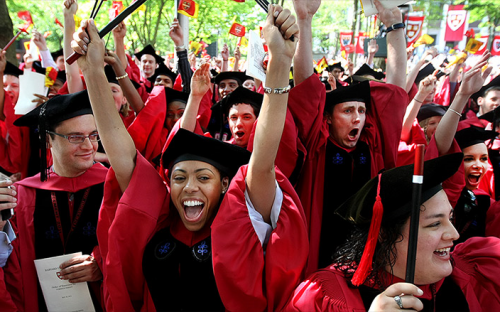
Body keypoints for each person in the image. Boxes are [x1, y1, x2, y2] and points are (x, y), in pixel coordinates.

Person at [71, 5, 304, 311]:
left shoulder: (242, 223)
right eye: (179, 178)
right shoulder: (160, 222)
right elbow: (120, 150)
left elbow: (262, 161)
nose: (190, 187)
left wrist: (280, 63)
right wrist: (91, 70)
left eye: (203, 177)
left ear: (224, 184)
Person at [284, 153, 500, 311]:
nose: (454, 234)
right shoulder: (325, 297)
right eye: (435, 224)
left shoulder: (474, 273)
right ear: (385, 235)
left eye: (450, 218)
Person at [289, 0, 408, 273]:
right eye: (347, 111)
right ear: (328, 118)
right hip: (319, 256)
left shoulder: (373, 145)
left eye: (362, 110)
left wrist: (394, 26)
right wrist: (304, 20)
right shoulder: (315, 145)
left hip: (366, 257)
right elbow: (306, 87)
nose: (357, 118)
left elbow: (395, 92)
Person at [0, 91, 108, 311]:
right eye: (76, 137)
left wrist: (103, 264)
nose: (88, 146)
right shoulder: (22, 195)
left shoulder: (113, 187)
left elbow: (132, 245)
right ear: (47, 139)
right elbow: (11, 265)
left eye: (94, 135)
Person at [453, 126, 497, 244]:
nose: (478, 165)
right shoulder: (437, 199)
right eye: (468, 159)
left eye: (483, 159)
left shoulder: (484, 202)